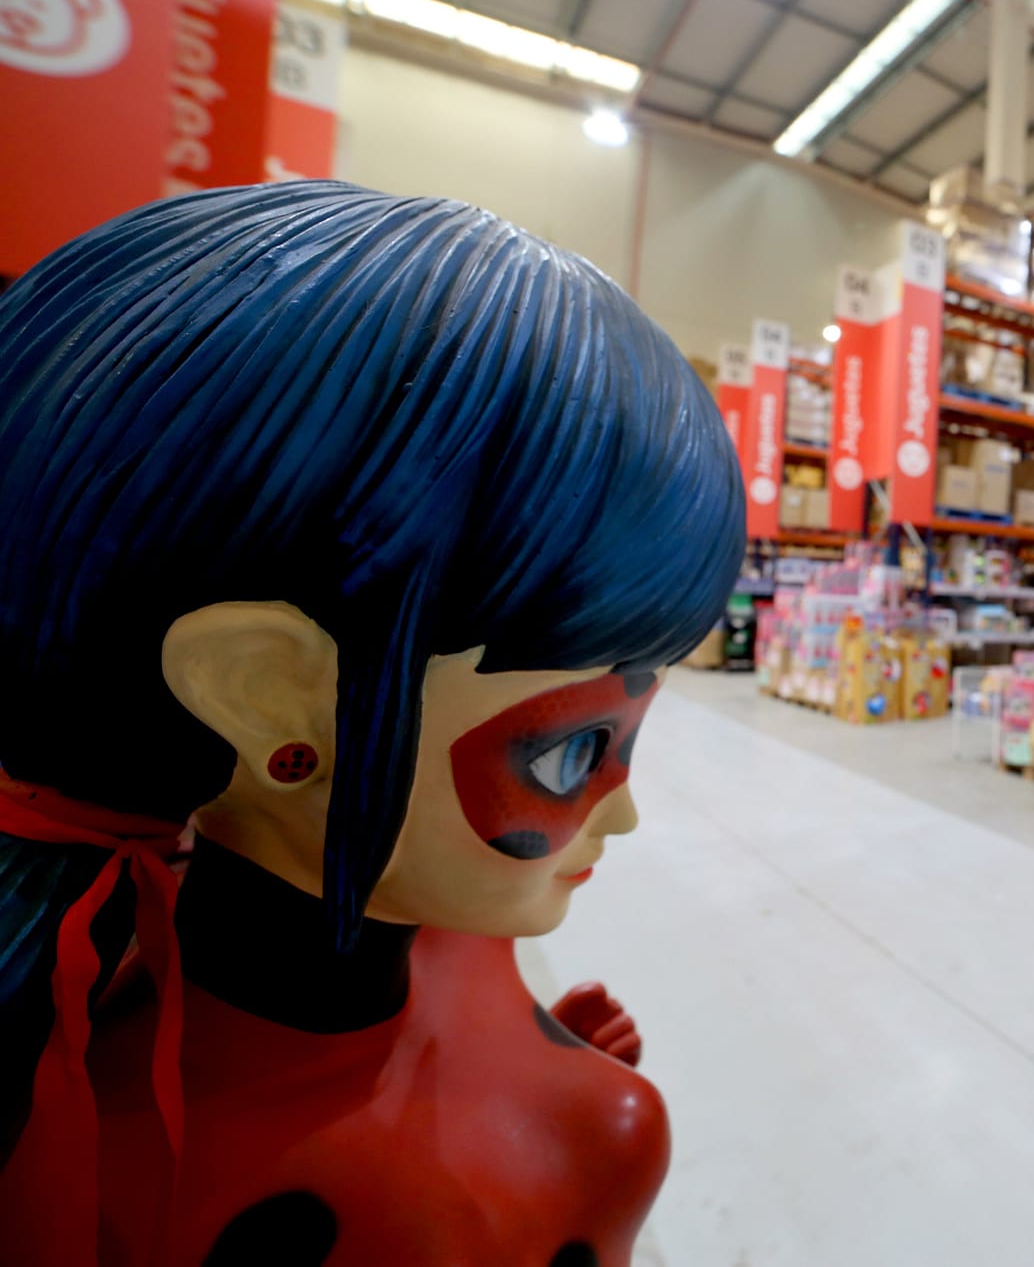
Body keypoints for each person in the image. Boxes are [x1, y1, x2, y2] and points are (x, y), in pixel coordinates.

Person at [0, 183, 743, 1265]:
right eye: (571, 748)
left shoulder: (106, 974)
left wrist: (523, 1044)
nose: (621, 812)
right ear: (269, 696)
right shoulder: (100, 1167)